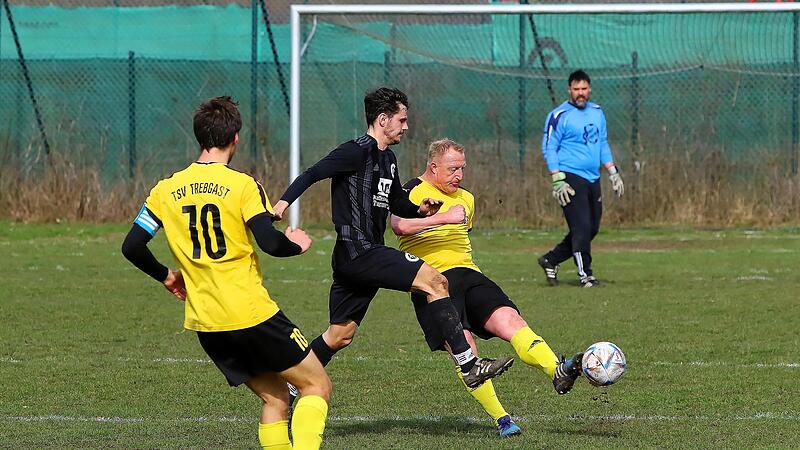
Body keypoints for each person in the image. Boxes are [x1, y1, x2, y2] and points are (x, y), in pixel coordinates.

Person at [121, 96, 331, 450]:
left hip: (208, 324)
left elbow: (132, 246)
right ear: (235, 137)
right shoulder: (243, 185)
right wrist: (296, 243)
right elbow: (270, 243)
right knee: (317, 386)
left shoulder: (164, 190)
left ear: (199, 137)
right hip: (251, 314)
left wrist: (167, 276)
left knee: (277, 398)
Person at [271, 87, 513, 392]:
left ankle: (290, 387)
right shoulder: (355, 151)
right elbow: (312, 173)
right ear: (383, 119)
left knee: (340, 334)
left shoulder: (389, 159)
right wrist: (281, 205)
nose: (406, 126)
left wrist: (419, 209)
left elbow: (395, 200)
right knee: (435, 281)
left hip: (359, 256)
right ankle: (469, 364)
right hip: (359, 250)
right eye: (402, 119)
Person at [391, 138, 584, 438]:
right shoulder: (411, 190)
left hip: (469, 274)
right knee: (466, 347)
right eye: (453, 169)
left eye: (463, 169)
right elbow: (399, 226)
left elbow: (461, 236)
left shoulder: (466, 198)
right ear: (433, 167)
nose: (460, 176)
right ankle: (502, 419)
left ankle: (556, 371)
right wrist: (442, 218)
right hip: (431, 282)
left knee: (512, 322)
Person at [537, 69, 624, 288]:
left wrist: (613, 172)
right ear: (569, 90)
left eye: (584, 88)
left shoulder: (597, 112)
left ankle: (551, 259)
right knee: (582, 228)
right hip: (569, 178)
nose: (580, 93)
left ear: (589, 89)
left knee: (591, 228)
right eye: (576, 89)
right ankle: (586, 275)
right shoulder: (559, 115)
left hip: (593, 178)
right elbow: (550, 147)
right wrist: (557, 177)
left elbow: (602, 143)